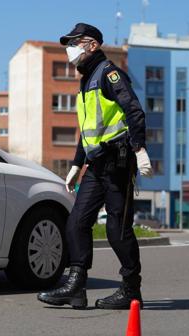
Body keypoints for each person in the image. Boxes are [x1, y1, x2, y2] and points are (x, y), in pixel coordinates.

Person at [37, 23, 153, 309]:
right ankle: (76, 285)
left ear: (92, 45)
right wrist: (77, 165)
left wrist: (139, 149)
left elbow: (134, 111)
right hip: (97, 165)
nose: (70, 49)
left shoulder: (109, 74)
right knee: (76, 222)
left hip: (119, 162)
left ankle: (130, 290)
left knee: (117, 230)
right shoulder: (86, 81)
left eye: (75, 42)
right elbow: (88, 130)